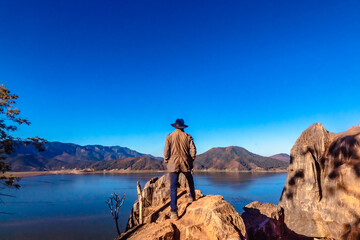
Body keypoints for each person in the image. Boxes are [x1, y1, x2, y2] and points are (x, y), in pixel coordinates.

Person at [164, 118, 196, 219]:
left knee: (173, 187)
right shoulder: (187, 136)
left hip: (173, 163)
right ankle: (192, 197)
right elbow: (193, 150)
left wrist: (166, 160)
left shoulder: (169, 136)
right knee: (190, 180)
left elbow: (166, 151)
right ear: (182, 127)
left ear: (175, 126)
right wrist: (191, 159)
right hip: (185, 162)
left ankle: (174, 212)